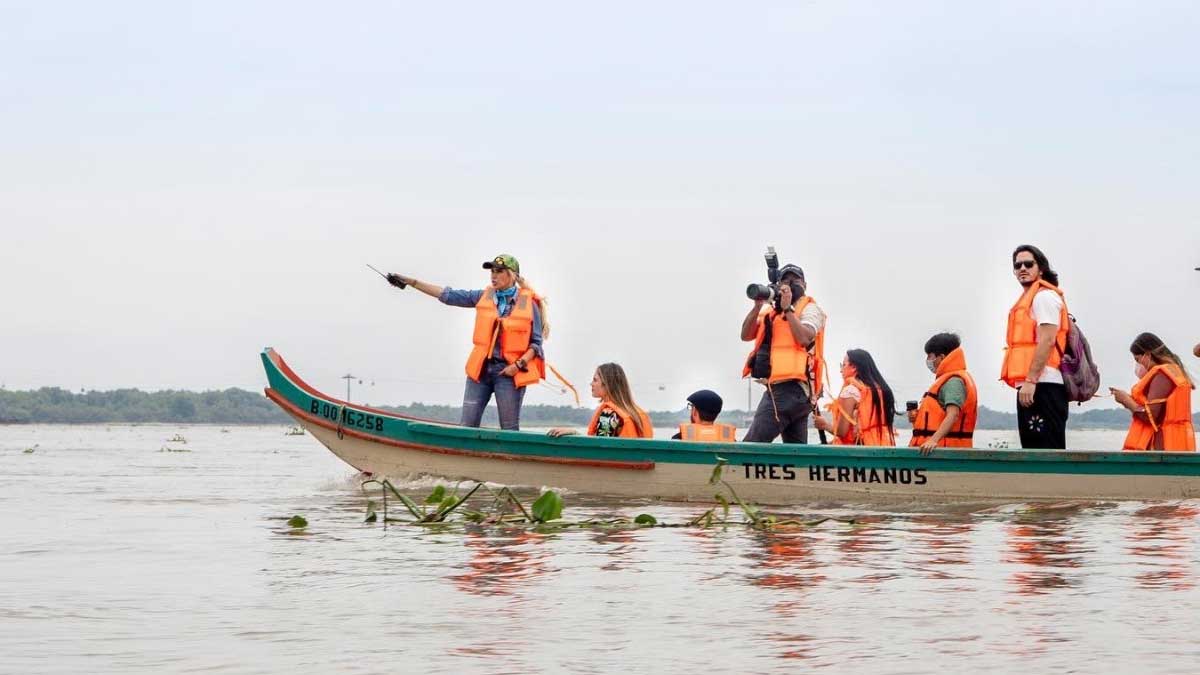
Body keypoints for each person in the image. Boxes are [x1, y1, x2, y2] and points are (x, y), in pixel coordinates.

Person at [386, 254, 544, 431]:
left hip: (509, 374)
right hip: (480, 371)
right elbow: (448, 295)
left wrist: (518, 364)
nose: (493, 275)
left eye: (499, 271)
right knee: (466, 427)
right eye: (492, 271)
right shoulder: (484, 296)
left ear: (512, 275)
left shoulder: (529, 304)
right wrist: (411, 282)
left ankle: (510, 457)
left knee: (509, 429)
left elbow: (536, 344)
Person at [740, 263, 827, 444]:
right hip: (786, 391)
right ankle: (798, 471)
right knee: (796, 452)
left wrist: (788, 309)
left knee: (752, 444)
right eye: (785, 281)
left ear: (804, 285)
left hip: (790, 389)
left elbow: (804, 338)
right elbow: (745, 335)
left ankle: (733, 470)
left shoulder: (811, 309)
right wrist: (757, 306)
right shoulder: (771, 313)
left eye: (795, 281)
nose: (789, 285)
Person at [1000, 244, 1071, 449]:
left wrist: (1031, 380)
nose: (1022, 268)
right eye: (1017, 265)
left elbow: (1047, 340)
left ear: (1040, 269)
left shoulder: (1043, 297)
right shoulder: (1031, 298)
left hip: (1043, 384)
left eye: (1028, 264)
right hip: (1035, 385)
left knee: (1045, 451)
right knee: (1033, 448)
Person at [1110, 333, 1196, 452]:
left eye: (1137, 359)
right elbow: (1161, 412)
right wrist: (1129, 399)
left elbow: (1150, 416)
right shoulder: (1171, 372)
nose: (1138, 365)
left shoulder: (1163, 375)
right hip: (1173, 449)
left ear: (1148, 355)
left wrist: (1126, 401)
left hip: (1163, 451)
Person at [813, 349, 897, 446]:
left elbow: (842, 432)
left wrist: (824, 425)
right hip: (884, 446)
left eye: (843, 365)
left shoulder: (851, 391)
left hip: (863, 451)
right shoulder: (881, 391)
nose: (841, 370)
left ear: (853, 367)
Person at [910, 333, 978, 453]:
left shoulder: (954, 381)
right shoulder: (946, 379)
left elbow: (953, 414)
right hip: (932, 451)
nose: (928, 361)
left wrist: (933, 440)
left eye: (930, 356)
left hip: (945, 451)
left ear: (941, 357)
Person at [548, 363, 653, 438]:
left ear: (607, 385)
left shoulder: (609, 414)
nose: (591, 384)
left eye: (595, 380)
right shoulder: (635, 413)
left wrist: (574, 433)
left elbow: (598, 447)